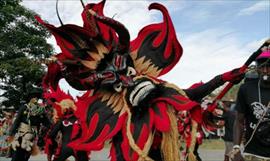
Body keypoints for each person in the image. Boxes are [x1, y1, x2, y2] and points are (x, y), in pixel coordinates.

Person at [232, 43, 270, 161]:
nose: (265, 70)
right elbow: (239, 121)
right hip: (253, 153)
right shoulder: (246, 89)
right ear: (257, 67)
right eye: (261, 66)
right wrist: (236, 147)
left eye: (269, 66)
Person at [8, 91, 51, 161]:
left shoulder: (41, 110)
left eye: (37, 97)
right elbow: (17, 121)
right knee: (17, 155)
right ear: (30, 99)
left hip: (32, 137)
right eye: (34, 97)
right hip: (21, 135)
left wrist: (47, 132)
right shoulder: (24, 107)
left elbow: (47, 123)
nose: (36, 99)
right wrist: (11, 134)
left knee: (26, 156)